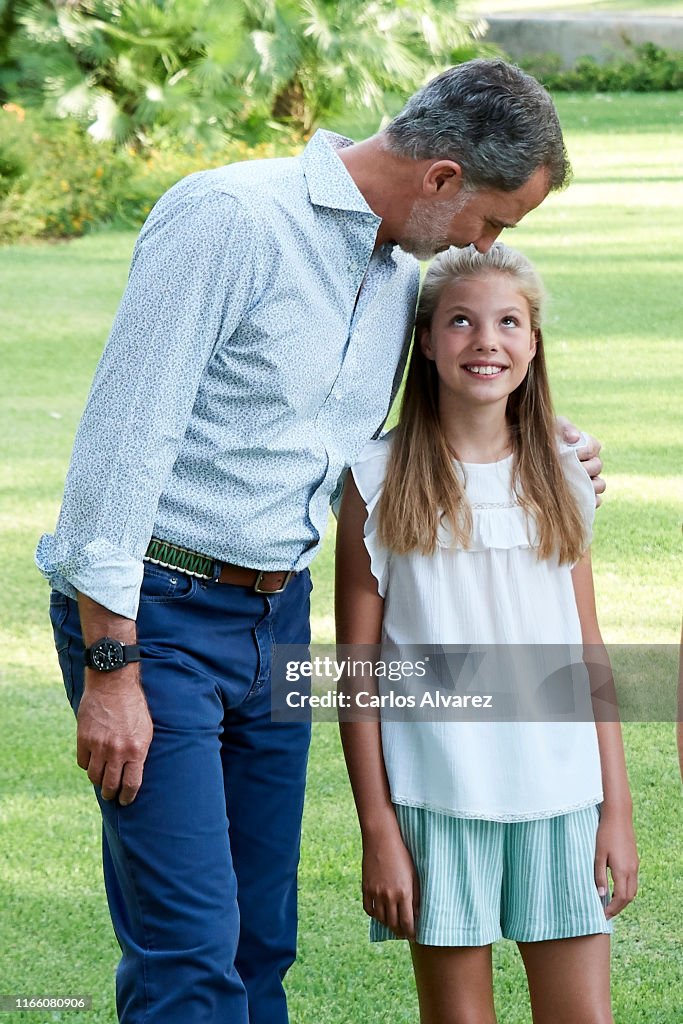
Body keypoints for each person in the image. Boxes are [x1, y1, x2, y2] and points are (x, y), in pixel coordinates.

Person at [37, 60, 605, 1024]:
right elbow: (122, 446)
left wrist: (539, 444)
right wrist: (110, 667)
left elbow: (412, 428)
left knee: (263, 941)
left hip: (278, 619)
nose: (485, 243)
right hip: (156, 616)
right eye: (493, 221)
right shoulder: (230, 219)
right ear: (441, 180)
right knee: (190, 951)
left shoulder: (393, 278)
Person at [335, 243, 638, 1024]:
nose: (485, 341)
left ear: (532, 343)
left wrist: (615, 813)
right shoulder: (374, 480)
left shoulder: (565, 474)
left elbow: (586, 650)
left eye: (508, 322)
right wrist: (379, 832)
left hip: (560, 795)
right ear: (427, 339)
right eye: (461, 321)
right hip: (436, 802)